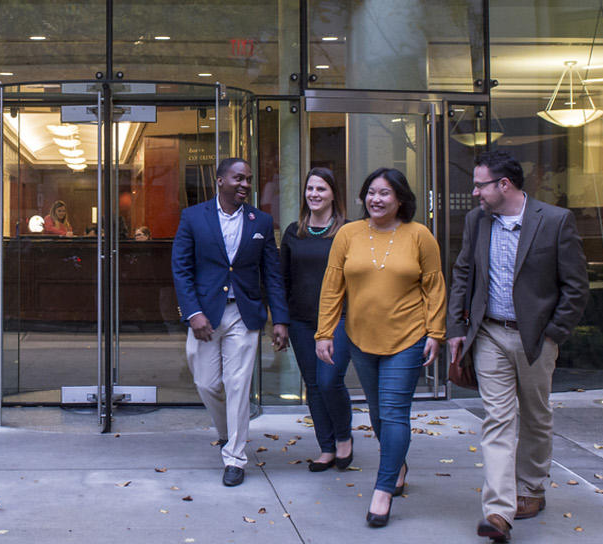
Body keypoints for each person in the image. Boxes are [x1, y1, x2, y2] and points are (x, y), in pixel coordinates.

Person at [446, 151, 588, 543]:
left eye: (480, 185)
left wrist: (554, 333)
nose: (475, 192)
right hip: (489, 332)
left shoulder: (555, 221)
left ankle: (532, 488)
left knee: (536, 416)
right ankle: (498, 511)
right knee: (497, 420)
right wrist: (457, 326)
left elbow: (576, 287)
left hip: (536, 338)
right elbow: (463, 272)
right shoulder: (477, 221)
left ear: (504, 185)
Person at [316, 168, 444, 527]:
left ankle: (383, 490)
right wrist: (324, 332)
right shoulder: (348, 234)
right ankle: (397, 462)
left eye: (385, 193)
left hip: (407, 337)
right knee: (376, 412)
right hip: (360, 337)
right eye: (371, 192)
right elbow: (332, 285)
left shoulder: (419, 235)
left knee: (393, 413)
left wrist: (436, 332)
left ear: (400, 199)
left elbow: (434, 286)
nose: (376, 199)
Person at [172, 157, 289, 487]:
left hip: (244, 314)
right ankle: (226, 433)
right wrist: (193, 313)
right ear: (220, 181)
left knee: (238, 385)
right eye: (239, 178)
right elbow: (181, 269)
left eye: (249, 179)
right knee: (207, 383)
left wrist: (280, 318)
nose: (245, 185)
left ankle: (235, 457)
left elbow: (272, 275)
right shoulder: (193, 218)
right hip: (205, 314)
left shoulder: (261, 222)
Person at [280, 167, 354, 473]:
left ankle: (344, 438)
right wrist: (280, 321)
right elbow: (282, 280)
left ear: (333, 193)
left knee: (329, 380)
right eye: (310, 188)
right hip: (301, 320)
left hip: (339, 319)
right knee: (313, 384)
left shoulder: (349, 231)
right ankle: (326, 448)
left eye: (321, 189)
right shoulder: (293, 232)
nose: (314, 194)